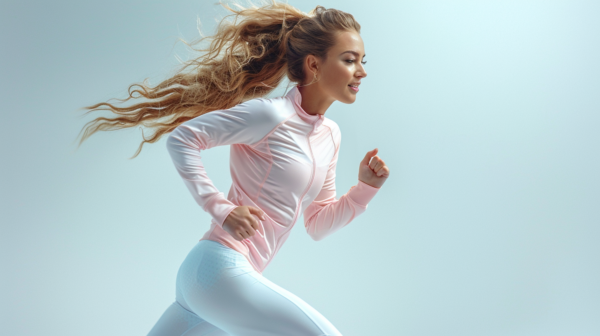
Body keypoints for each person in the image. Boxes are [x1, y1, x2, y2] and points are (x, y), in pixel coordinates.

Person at [77, 1, 390, 334]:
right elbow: (183, 139)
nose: (362, 71)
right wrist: (222, 209)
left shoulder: (330, 135)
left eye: (362, 61)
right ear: (314, 64)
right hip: (218, 269)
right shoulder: (270, 116)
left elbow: (317, 224)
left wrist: (364, 190)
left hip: (214, 284)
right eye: (349, 60)